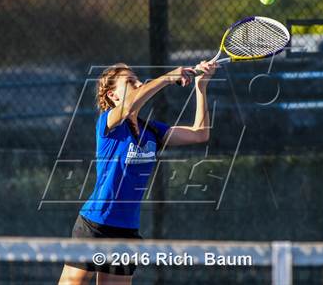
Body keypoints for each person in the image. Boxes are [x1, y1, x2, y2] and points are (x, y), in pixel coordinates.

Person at [59, 61, 216, 285]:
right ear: (113, 95)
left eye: (138, 80)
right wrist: (168, 77)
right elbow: (129, 105)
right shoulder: (109, 123)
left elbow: (200, 134)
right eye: (131, 82)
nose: (139, 84)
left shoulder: (152, 130)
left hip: (126, 231)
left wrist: (201, 86)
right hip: (94, 226)